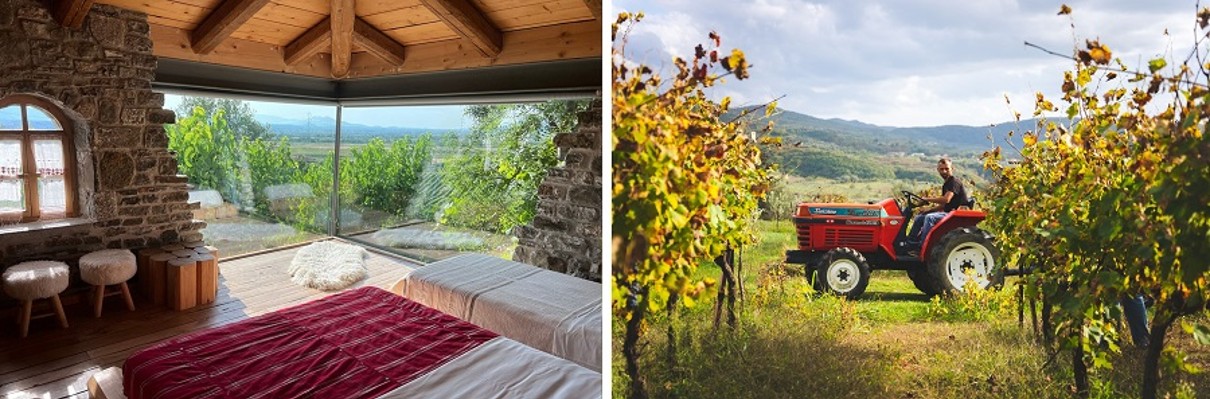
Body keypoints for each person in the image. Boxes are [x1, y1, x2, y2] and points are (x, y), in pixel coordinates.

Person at [906, 157, 969, 250]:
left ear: (952, 168)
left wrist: (927, 199)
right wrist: (928, 210)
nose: (944, 171)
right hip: (948, 212)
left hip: (955, 214)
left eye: (946, 169)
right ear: (938, 170)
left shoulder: (954, 182)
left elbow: (946, 199)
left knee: (930, 218)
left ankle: (923, 246)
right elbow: (944, 205)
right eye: (941, 169)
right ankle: (910, 243)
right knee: (920, 217)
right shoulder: (947, 183)